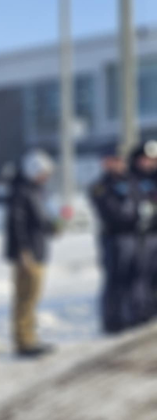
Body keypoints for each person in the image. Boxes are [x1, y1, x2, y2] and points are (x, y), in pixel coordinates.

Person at [5, 149, 59, 358]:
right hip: (28, 254)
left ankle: (30, 337)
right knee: (25, 297)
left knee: (33, 297)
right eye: (42, 172)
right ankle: (23, 341)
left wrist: (54, 226)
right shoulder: (21, 192)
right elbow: (17, 224)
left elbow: (42, 218)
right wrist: (23, 250)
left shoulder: (37, 191)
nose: (45, 177)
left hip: (38, 250)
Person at [88, 143, 139, 334]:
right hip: (113, 237)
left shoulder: (130, 181)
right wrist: (133, 214)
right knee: (114, 280)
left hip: (133, 237)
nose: (115, 164)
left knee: (131, 279)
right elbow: (113, 213)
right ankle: (112, 321)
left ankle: (128, 316)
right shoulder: (100, 186)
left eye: (118, 160)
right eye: (111, 160)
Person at [124, 140, 157, 326]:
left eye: (153, 159)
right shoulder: (131, 179)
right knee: (139, 274)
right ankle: (138, 310)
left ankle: (152, 306)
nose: (149, 163)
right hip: (139, 234)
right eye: (145, 159)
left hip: (155, 231)